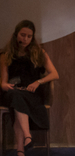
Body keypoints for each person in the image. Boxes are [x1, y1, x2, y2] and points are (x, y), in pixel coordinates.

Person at [0, 20, 59, 156]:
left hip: (31, 92)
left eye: (29, 36)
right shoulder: (5, 55)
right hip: (12, 91)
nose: (25, 39)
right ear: (16, 35)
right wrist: (5, 85)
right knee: (16, 96)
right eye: (22, 35)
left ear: (32, 38)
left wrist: (38, 81)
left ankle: (21, 150)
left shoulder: (39, 53)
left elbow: (55, 74)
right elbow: (3, 82)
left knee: (18, 104)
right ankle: (27, 136)